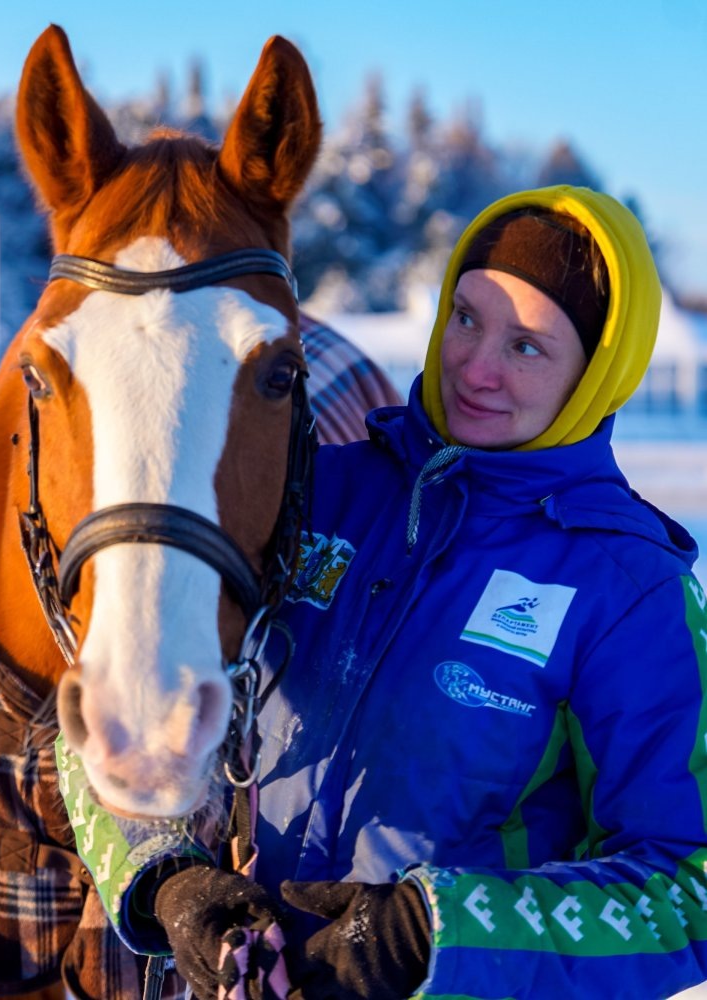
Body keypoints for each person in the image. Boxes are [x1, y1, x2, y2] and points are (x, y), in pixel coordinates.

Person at [63, 184, 707, 999]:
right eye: (466, 317)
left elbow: (690, 892)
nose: (474, 366)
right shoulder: (311, 495)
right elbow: (105, 708)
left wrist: (431, 932)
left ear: (597, 373)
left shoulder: (626, 588)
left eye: (528, 347)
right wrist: (169, 879)